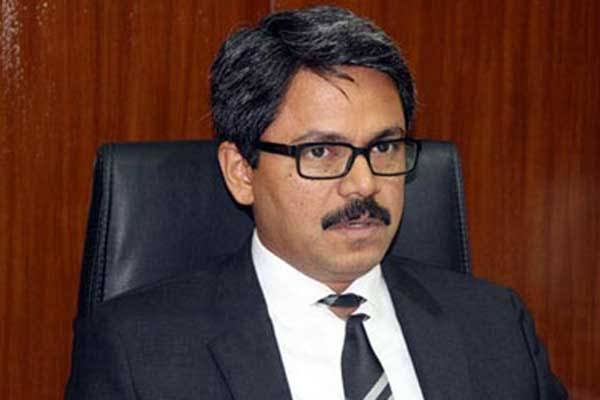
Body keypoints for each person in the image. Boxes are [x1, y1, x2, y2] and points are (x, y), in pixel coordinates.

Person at [65, 6, 567, 399]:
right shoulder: (138, 354)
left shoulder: (496, 327)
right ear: (241, 172)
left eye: (384, 148)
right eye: (322, 152)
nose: (364, 184)